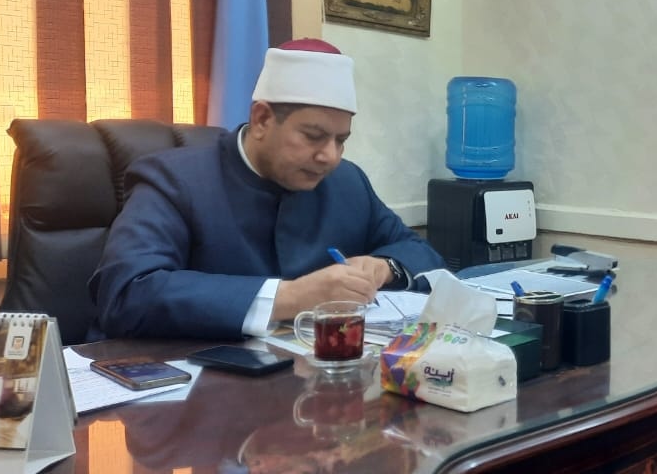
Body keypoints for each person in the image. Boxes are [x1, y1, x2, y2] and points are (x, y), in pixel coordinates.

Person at [89, 38, 445, 340]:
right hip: (194, 385)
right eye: (314, 136)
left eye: (341, 140)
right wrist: (291, 297)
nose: (330, 156)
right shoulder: (173, 180)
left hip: (314, 380)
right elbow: (127, 293)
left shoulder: (348, 182)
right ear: (261, 120)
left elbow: (421, 252)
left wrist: (384, 267)